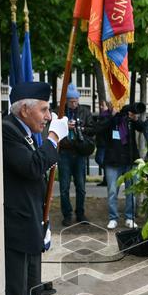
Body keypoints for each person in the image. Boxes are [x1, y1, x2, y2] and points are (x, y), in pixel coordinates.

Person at [3, 82, 66, 295]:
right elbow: (31, 167)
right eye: (44, 109)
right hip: (15, 222)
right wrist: (53, 139)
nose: (48, 115)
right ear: (25, 109)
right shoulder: (8, 130)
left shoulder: (26, 132)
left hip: (32, 219)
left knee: (32, 283)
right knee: (17, 287)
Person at [94, 102, 145, 229]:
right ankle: (113, 218)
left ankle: (129, 217)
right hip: (113, 161)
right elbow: (99, 128)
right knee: (112, 191)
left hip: (130, 160)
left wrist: (135, 119)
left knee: (131, 191)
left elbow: (142, 128)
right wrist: (112, 116)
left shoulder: (130, 121)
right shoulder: (110, 119)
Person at [58, 84, 94, 226]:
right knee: (64, 187)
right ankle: (67, 215)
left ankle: (80, 213)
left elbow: (92, 129)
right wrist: (65, 126)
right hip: (64, 153)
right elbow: (53, 129)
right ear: (66, 101)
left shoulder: (85, 112)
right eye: (71, 101)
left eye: (76, 101)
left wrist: (81, 128)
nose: (74, 103)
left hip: (79, 153)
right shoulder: (60, 112)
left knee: (81, 186)